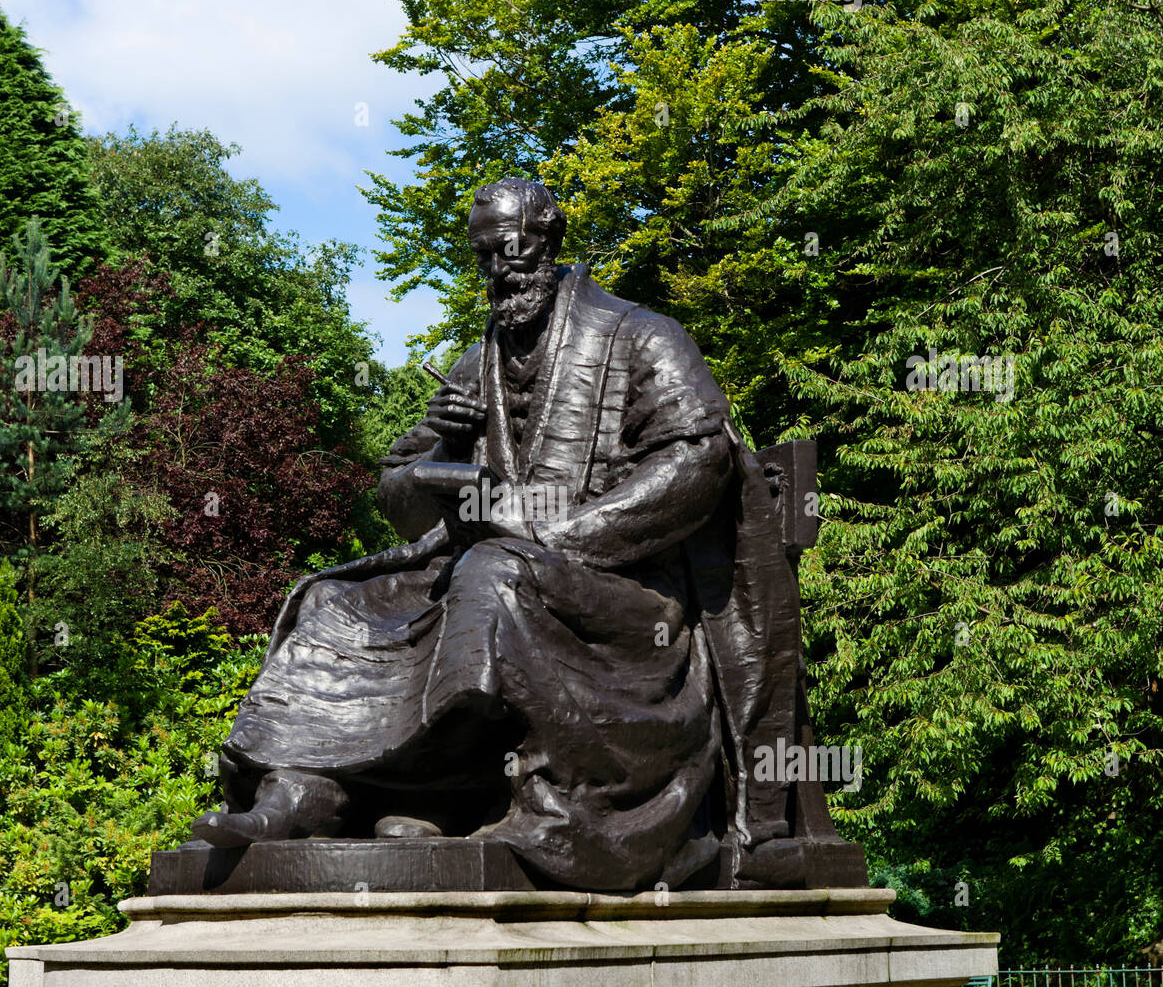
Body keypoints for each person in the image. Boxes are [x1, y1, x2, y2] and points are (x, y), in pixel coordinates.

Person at [190, 178, 805, 892]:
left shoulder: (642, 336)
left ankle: (481, 800)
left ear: (551, 243)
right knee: (335, 601)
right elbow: (398, 494)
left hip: (626, 598)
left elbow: (701, 460)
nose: (499, 269)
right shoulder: (471, 366)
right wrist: (445, 450)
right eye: (484, 256)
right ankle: (307, 789)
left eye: (513, 249)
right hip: (501, 572)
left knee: (494, 576)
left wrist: (559, 531)